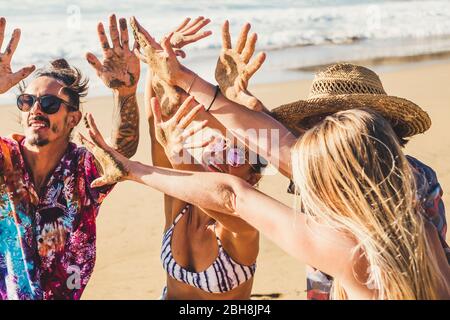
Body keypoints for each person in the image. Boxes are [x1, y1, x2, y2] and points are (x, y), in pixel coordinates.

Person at [131, 19, 449, 300]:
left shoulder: (410, 190)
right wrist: (209, 89)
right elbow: (275, 146)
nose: (313, 137)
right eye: (315, 126)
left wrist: (133, 169)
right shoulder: (348, 180)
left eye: (325, 126)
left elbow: (255, 172)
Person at [79, 103, 450, 300]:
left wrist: (132, 170)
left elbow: (231, 195)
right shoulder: (419, 230)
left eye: (315, 170)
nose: (300, 178)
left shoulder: (348, 251)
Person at [0, 14, 140, 300]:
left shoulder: (83, 171)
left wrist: (125, 93)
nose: (36, 110)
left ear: (73, 118)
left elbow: (120, 155)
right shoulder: (4, 158)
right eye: (28, 101)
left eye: (49, 104)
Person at [136, 17, 267, 300]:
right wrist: (156, 63)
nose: (219, 154)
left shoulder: (244, 227)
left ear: (253, 176)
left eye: (233, 152)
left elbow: (217, 195)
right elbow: (155, 125)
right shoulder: (181, 204)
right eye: (215, 144)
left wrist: (235, 100)